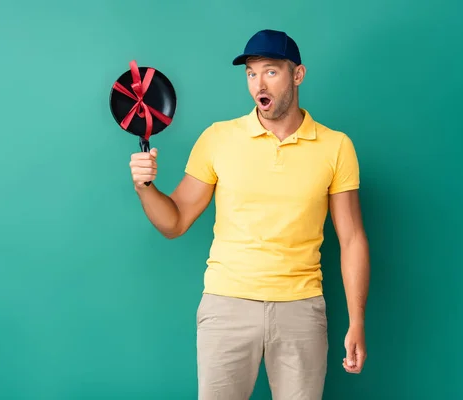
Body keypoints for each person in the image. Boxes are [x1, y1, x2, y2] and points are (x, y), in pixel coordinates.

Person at [129, 29, 370, 400]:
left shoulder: (336, 146)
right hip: (226, 305)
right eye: (251, 73)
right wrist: (145, 187)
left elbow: (352, 238)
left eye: (271, 71)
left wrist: (357, 322)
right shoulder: (218, 138)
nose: (259, 82)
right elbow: (174, 222)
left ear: (297, 75)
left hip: (301, 309)